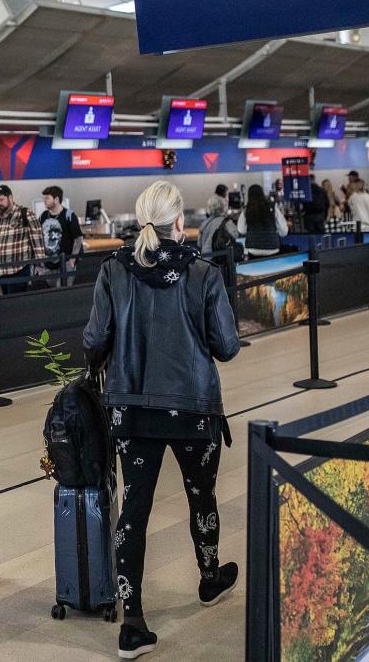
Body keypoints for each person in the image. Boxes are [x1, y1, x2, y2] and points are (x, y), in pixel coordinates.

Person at [83, 181, 240, 659]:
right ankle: (209, 577)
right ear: (179, 224)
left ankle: (132, 621)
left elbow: (94, 339)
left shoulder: (114, 271)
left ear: (139, 220)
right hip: (193, 411)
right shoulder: (204, 275)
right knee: (201, 494)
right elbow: (227, 347)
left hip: (132, 411)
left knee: (135, 508)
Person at [0, 184, 45, 295]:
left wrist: (40, 264)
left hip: (19, 269)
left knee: (16, 304)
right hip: (0, 271)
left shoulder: (25, 214)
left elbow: (37, 241)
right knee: (7, 302)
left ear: (10, 198)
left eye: (1, 199)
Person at [39, 185, 84, 287]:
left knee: (62, 291)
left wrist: (72, 260)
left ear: (56, 199)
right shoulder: (43, 215)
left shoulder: (69, 215)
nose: (44, 201)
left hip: (65, 264)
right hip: (48, 265)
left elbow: (78, 238)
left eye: (47, 198)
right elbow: (39, 238)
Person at [237, 184, 288, 257]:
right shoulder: (273, 208)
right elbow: (284, 231)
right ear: (262, 193)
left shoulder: (246, 210)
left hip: (253, 250)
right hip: (272, 248)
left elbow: (241, 230)